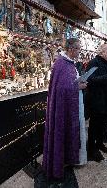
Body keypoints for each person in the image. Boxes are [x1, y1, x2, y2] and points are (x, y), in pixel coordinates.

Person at [43, 38, 87, 180]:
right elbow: (61, 88)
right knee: (62, 131)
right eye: (79, 49)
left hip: (72, 104)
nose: (80, 51)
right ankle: (58, 164)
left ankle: (67, 158)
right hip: (63, 107)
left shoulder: (69, 63)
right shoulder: (61, 63)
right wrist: (77, 86)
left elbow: (69, 82)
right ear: (71, 49)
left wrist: (79, 82)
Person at [86, 44, 107, 162]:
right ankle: (91, 149)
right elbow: (90, 80)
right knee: (94, 126)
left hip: (106, 100)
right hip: (96, 100)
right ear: (101, 52)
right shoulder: (93, 63)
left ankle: (99, 144)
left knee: (103, 125)